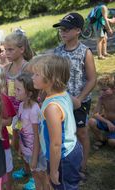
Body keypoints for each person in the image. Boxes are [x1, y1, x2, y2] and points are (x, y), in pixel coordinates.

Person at [53, 12, 97, 181]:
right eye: (61, 29)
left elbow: (92, 79)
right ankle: (66, 163)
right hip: (61, 102)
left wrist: (79, 98)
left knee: (82, 133)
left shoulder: (85, 51)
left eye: (67, 29)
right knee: (64, 135)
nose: (62, 32)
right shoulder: (57, 51)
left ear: (78, 30)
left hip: (80, 102)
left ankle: (82, 166)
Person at [31, 54, 83, 190]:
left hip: (62, 156)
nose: (32, 77)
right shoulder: (62, 93)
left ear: (51, 79)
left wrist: (53, 171)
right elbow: (77, 104)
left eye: (36, 74)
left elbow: (55, 144)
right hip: (70, 148)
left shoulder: (52, 108)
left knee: (63, 186)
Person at [13, 72, 49, 190]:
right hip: (27, 149)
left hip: (36, 152)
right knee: (35, 175)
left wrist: (34, 157)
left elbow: (37, 136)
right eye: (15, 88)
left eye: (18, 89)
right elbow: (20, 125)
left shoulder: (35, 110)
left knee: (42, 176)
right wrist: (20, 147)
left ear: (29, 93)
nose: (15, 92)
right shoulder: (21, 105)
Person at [4, 29, 34, 112]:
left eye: (10, 49)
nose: (7, 53)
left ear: (21, 49)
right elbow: (6, 92)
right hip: (14, 112)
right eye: (5, 49)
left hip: (28, 111)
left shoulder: (29, 68)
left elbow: (39, 90)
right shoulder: (6, 68)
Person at [88, 74, 115, 149]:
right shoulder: (102, 98)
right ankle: (101, 139)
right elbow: (95, 114)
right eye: (100, 90)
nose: (101, 92)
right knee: (91, 121)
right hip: (107, 122)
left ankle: (110, 138)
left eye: (104, 90)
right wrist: (108, 122)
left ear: (113, 89)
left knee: (112, 143)